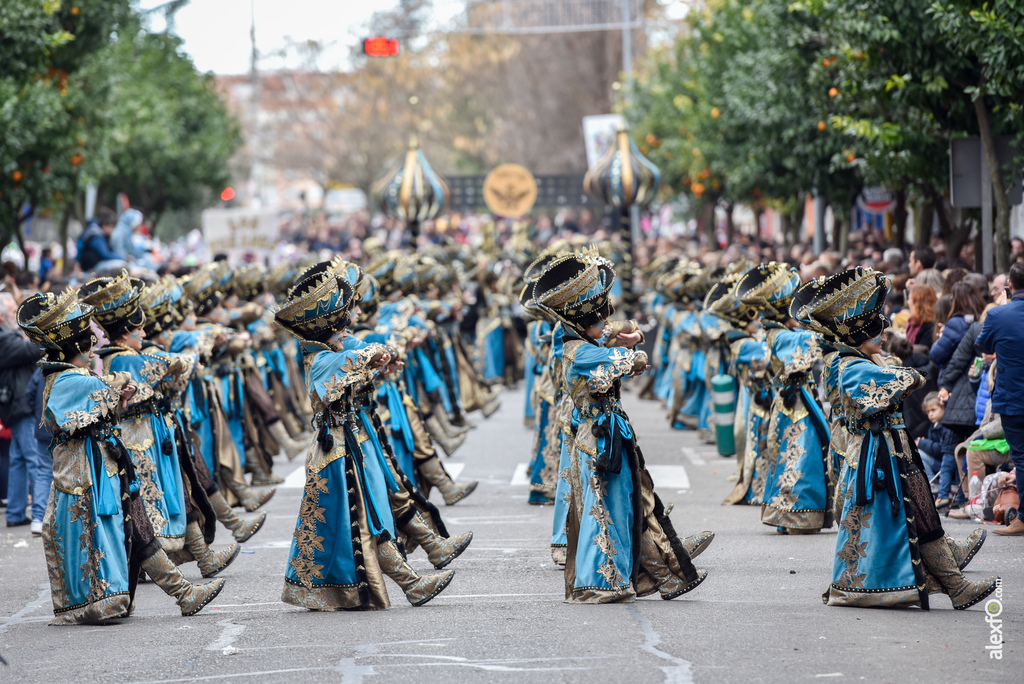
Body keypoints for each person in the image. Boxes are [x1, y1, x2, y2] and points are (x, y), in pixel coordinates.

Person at [793, 267, 996, 610]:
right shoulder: (846, 365)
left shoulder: (855, 357)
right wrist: (908, 375)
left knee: (924, 511)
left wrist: (890, 364)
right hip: (876, 457)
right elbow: (899, 380)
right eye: (877, 332)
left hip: (892, 449)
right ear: (857, 336)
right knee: (910, 514)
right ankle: (953, 584)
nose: (884, 336)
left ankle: (954, 579)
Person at [18, 288, 225, 622]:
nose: (94, 347)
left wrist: (119, 398)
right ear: (77, 346)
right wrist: (120, 388)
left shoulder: (72, 376)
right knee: (135, 529)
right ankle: (178, 593)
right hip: (85, 474)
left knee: (139, 529)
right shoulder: (68, 378)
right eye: (88, 342)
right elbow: (112, 385)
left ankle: (185, 593)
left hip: (102, 466)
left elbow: (102, 403)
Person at [529, 249, 710, 603]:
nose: (604, 328)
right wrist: (632, 349)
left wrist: (629, 338)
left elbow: (624, 334)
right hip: (597, 442)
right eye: (598, 324)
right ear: (584, 325)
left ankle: (667, 573)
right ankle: (604, 581)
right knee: (608, 510)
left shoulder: (586, 338)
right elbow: (629, 358)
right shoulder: (578, 351)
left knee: (632, 504)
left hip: (612, 434)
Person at [275, 259, 457, 610]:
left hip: (352, 444)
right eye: (342, 326)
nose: (348, 330)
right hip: (337, 453)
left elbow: (359, 366)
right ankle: (412, 582)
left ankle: (413, 582)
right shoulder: (321, 359)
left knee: (371, 518)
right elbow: (357, 358)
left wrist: (381, 364)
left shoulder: (331, 351)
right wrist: (376, 354)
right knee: (363, 523)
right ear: (327, 330)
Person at [976, 261, 1024, 535]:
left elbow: (984, 347)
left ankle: (1023, 518)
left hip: (1015, 398)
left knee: (1021, 457)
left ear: (1009, 286)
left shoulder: (998, 315)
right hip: (1014, 396)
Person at [0, 292, 42, 530]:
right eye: (14, 309)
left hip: (17, 404)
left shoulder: (9, 336)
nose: (17, 315)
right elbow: (29, 351)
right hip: (20, 405)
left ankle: (16, 512)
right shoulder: (4, 338)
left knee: (18, 459)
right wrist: (46, 334)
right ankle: (40, 514)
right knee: (34, 459)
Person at [916, 392, 958, 506]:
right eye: (928, 412)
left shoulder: (945, 427)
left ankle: (933, 483)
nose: (930, 414)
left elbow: (942, 449)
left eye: (933, 410)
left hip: (946, 465)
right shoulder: (933, 427)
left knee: (919, 453)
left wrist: (923, 443)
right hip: (938, 463)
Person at [76, 208, 127, 273]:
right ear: (104, 226)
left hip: (94, 265)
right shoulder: (96, 235)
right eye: (111, 227)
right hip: (92, 268)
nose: (112, 230)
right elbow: (105, 254)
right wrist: (123, 258)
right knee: (122, 265)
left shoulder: (95, 231)